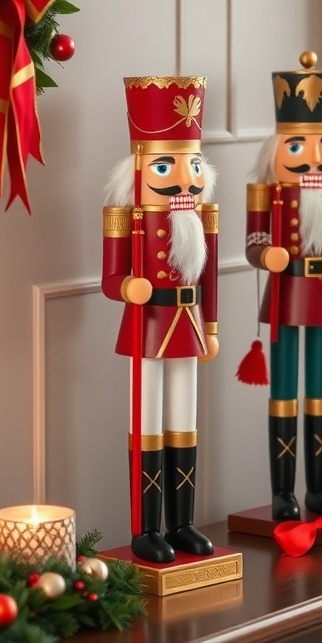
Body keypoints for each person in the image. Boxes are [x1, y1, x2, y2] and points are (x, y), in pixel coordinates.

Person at [102, 76, 218, 563]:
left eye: (192, 164)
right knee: (148, 423)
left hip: (187, 326)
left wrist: (210, 328)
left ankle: (183, 521)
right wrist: (128, 287)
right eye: (167, 164)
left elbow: (209, 279)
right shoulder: (123, 215)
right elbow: (111, 278)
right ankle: (146, 528)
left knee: (184, 423)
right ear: (139, 169)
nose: (184, 177)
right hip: (148, 329)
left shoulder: (202, 214)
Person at [242, 51, 322, 521]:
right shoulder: (266, 193)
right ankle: (282, 492)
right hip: (286, 295)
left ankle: (317, 488)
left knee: (321, 391)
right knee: (284, 392)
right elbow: (254, 242)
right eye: (297, 146)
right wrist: (264, 254)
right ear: (276, 151)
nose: (313, 158)